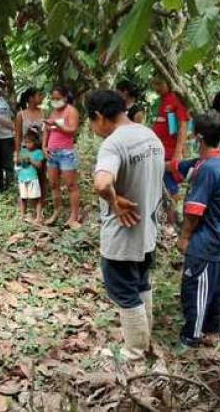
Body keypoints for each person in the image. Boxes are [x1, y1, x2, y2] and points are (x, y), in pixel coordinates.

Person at [88, 89, 164, 360]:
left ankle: (134, 351)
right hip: (148, 230)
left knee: (123, 289)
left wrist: (115, 200)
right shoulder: (150, 136)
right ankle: (145, 341)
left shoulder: (114, 143)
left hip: (122, 235)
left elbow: (101, 183)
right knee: (141, 283)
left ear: (98, 116)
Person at [170, 111, 220, 347]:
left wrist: (184, 237)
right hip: (213, 236)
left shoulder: (207, 169)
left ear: (200, 138)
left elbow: (194, 211)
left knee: (195, 287)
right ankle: (212, 328)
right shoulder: (212, 162)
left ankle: (191, 336)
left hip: (203, 239)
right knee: (211, 284)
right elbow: (177, 167)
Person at [43, 85, 81, 229]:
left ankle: (74, 216)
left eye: (58, 98)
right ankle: (56, 212)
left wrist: (58, 126)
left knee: (71, 185)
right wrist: (44, 146)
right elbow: (46, 130)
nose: (55, 101)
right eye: (53, 98)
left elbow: (72, 130)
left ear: (65, 97)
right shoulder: (53, 113)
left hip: (66, 153)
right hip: (52, 153)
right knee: (53, 184)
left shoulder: (71, 111)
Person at [150, 76, 190, 209]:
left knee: (172, 188)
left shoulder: (176, 99)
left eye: (159, 84)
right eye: (154, 84)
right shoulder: (158, 101)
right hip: (157, 151)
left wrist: (178, 153)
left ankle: (175, 214)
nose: (156, 88)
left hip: (170, 152)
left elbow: (183, 126)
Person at [17, 130, 44, 223]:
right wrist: (19, 159)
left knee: (36, 197)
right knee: (23, 197)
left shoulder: (38, 152)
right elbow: (18, 162)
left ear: (35, 142)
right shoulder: (23, 151)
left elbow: (39, 166)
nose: (27, 144)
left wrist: (31, 160)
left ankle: (38, 216)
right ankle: (22, 215)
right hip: (22, 177)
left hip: (32, 177)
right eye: (26, 142)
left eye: (29, 142)